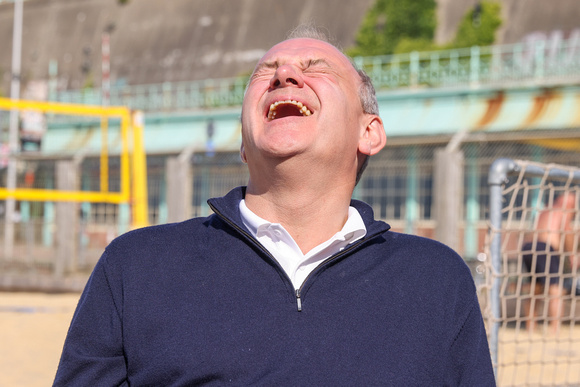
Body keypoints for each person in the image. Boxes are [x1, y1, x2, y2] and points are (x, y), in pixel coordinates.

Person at [54, 26, 495, 385]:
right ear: (244, 144)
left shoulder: (436, 278)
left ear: (370, 132)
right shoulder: (135, 265)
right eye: (266, 72)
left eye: (314, 68)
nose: (284, 75)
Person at [522, 192, 578, 334]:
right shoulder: (563, 209)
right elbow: (566, 230)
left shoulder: (546, 210)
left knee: (536, 288)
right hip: (545, 248)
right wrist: (572, 255)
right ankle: (555, 329)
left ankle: (530, 326)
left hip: (528, 247)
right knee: (556, 289)